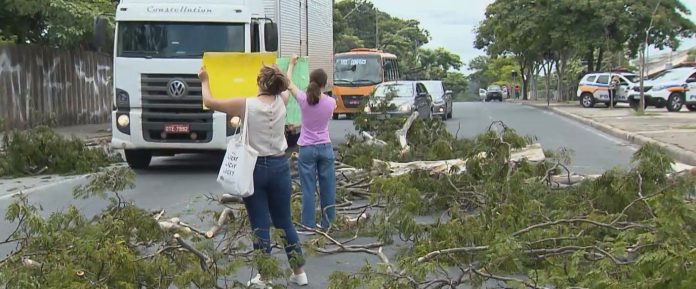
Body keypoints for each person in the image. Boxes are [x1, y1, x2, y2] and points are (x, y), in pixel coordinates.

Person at [198, 65, 308, 288]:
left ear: (260, 82)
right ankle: (299, 273)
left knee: (260, 224)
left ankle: (264, 277)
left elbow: (209, 101)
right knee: (285, 222)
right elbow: (285, 84)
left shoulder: (246, 105)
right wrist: (289, 66)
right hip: (280, 166)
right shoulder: (282, 101)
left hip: (255, 168)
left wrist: (204, 80)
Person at [285, 55, 337, 234]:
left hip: (307, 149)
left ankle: (308, 225)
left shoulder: (302, 99)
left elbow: (287, 82)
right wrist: (301, 124)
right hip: (325, 148)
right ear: (324, 84)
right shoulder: (331, 103)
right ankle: (328, 223)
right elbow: (319, 121)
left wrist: (291, 63)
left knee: (308, 188)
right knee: (328, 187)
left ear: (311, 81)